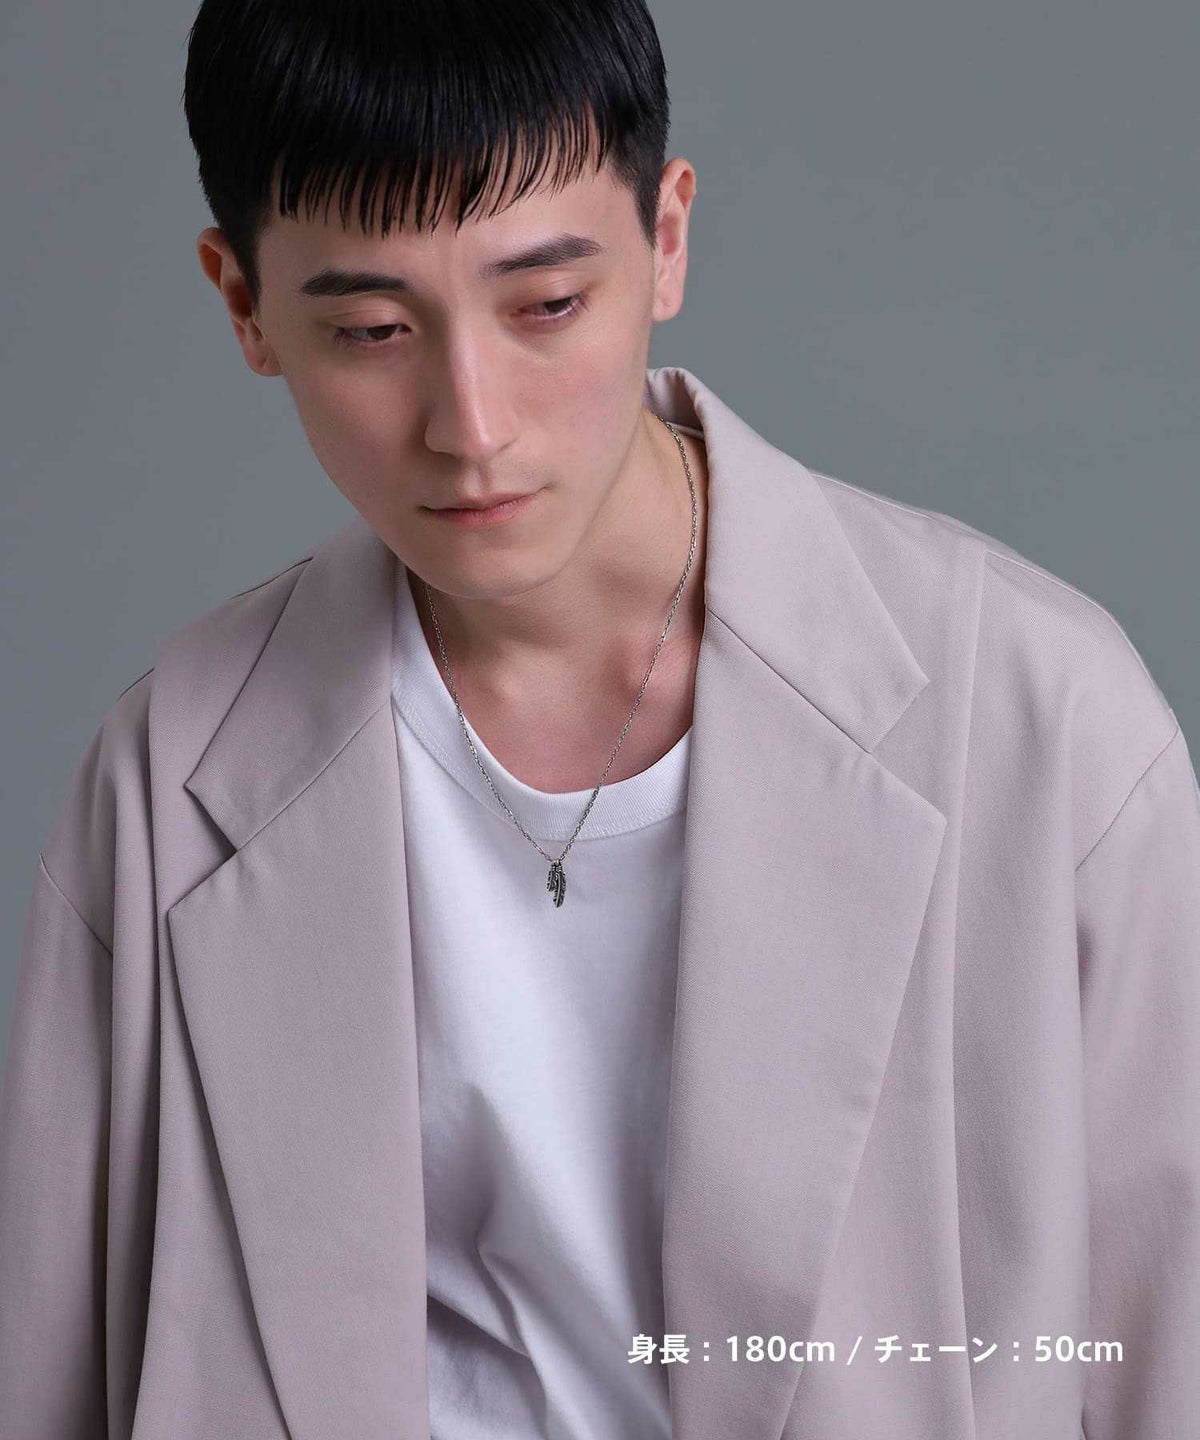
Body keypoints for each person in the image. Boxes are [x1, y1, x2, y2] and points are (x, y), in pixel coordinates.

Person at [1, 1, 1197, 1436]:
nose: (471, 424)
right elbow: (52, 1374)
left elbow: (1170, 1349)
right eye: (372, 329)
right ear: (244, 303)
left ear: (667, 237)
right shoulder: (170, 775)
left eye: (548, 305)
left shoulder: (1039, 716)